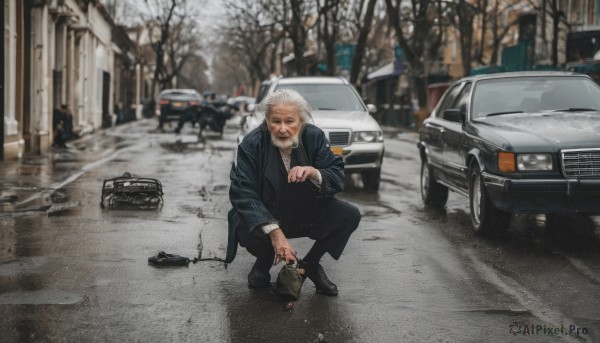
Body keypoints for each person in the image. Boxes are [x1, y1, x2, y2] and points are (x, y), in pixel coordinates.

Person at [226, 89, 361, 296]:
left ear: (301, 121)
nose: (282, 129)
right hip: (266, 214)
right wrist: (276, 235)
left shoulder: (314, 136)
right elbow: (242, 192)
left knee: (349, 215)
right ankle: (262, 267)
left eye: (290, 122)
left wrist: (314, 173)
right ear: (266, 120)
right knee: (245, 224)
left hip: (304, 212)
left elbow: (336, 175)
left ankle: (309, 265)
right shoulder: (251, 144)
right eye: (275, 121)